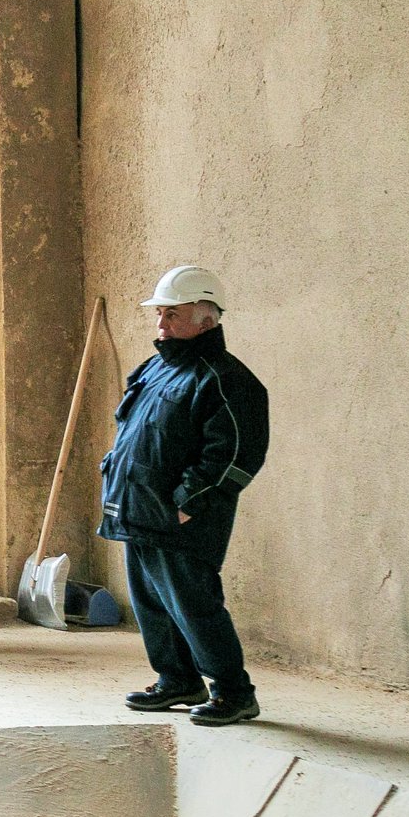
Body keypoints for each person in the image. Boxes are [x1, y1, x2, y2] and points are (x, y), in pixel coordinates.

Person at [101, 266, 270, 726]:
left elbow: (236, 454)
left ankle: (234, 692)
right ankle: (178, 680)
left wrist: (187, 503)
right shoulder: (155, 369)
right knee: (151, 604)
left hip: (183, 517)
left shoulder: (227, 380)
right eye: (160, 313)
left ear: (206, 320)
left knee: (193, 604)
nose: (161, 324)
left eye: (172, 315)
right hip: (138, 507)